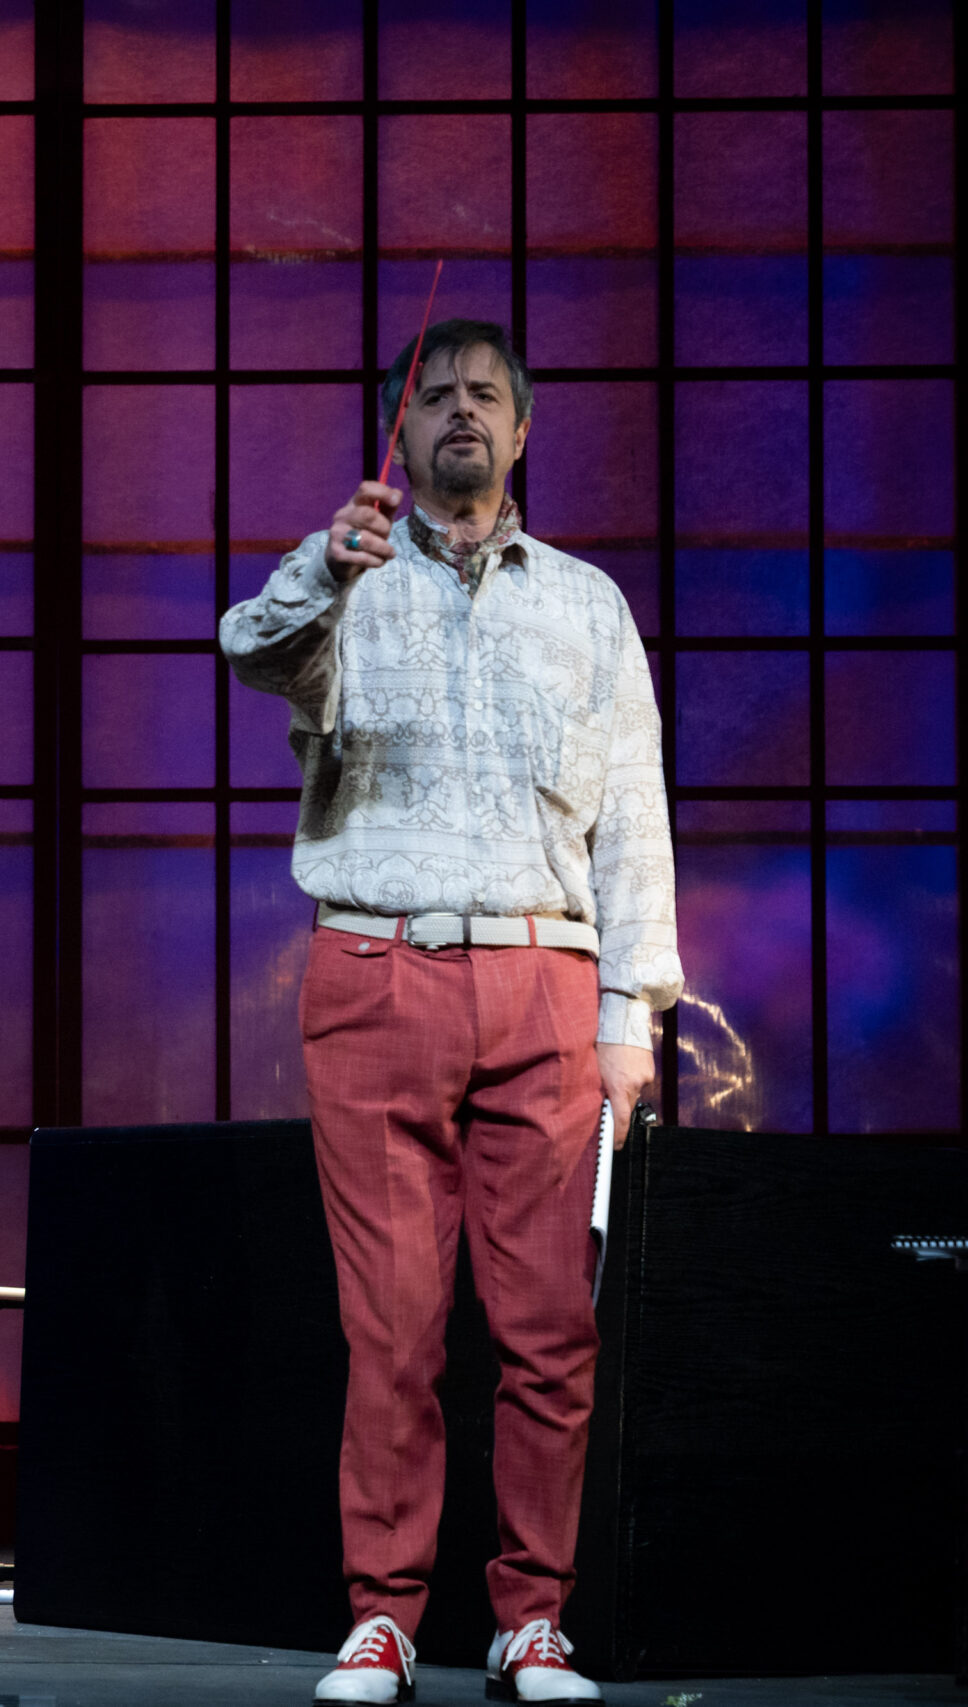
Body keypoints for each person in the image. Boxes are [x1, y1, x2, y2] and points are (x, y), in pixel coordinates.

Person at [220, 321, 682, 1705]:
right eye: (435, 397)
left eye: (486, 395)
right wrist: (324, 563)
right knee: (394, 1327)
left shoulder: (588, 605)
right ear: (401, 431)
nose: (461, 412)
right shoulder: (344, 583)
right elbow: (249, 646)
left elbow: (633, 817)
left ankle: (531, 1618)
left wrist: (629, 1013)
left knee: (550, 1327)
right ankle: (384, 1616)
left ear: (522, 431)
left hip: (546, 976)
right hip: (379, 967)